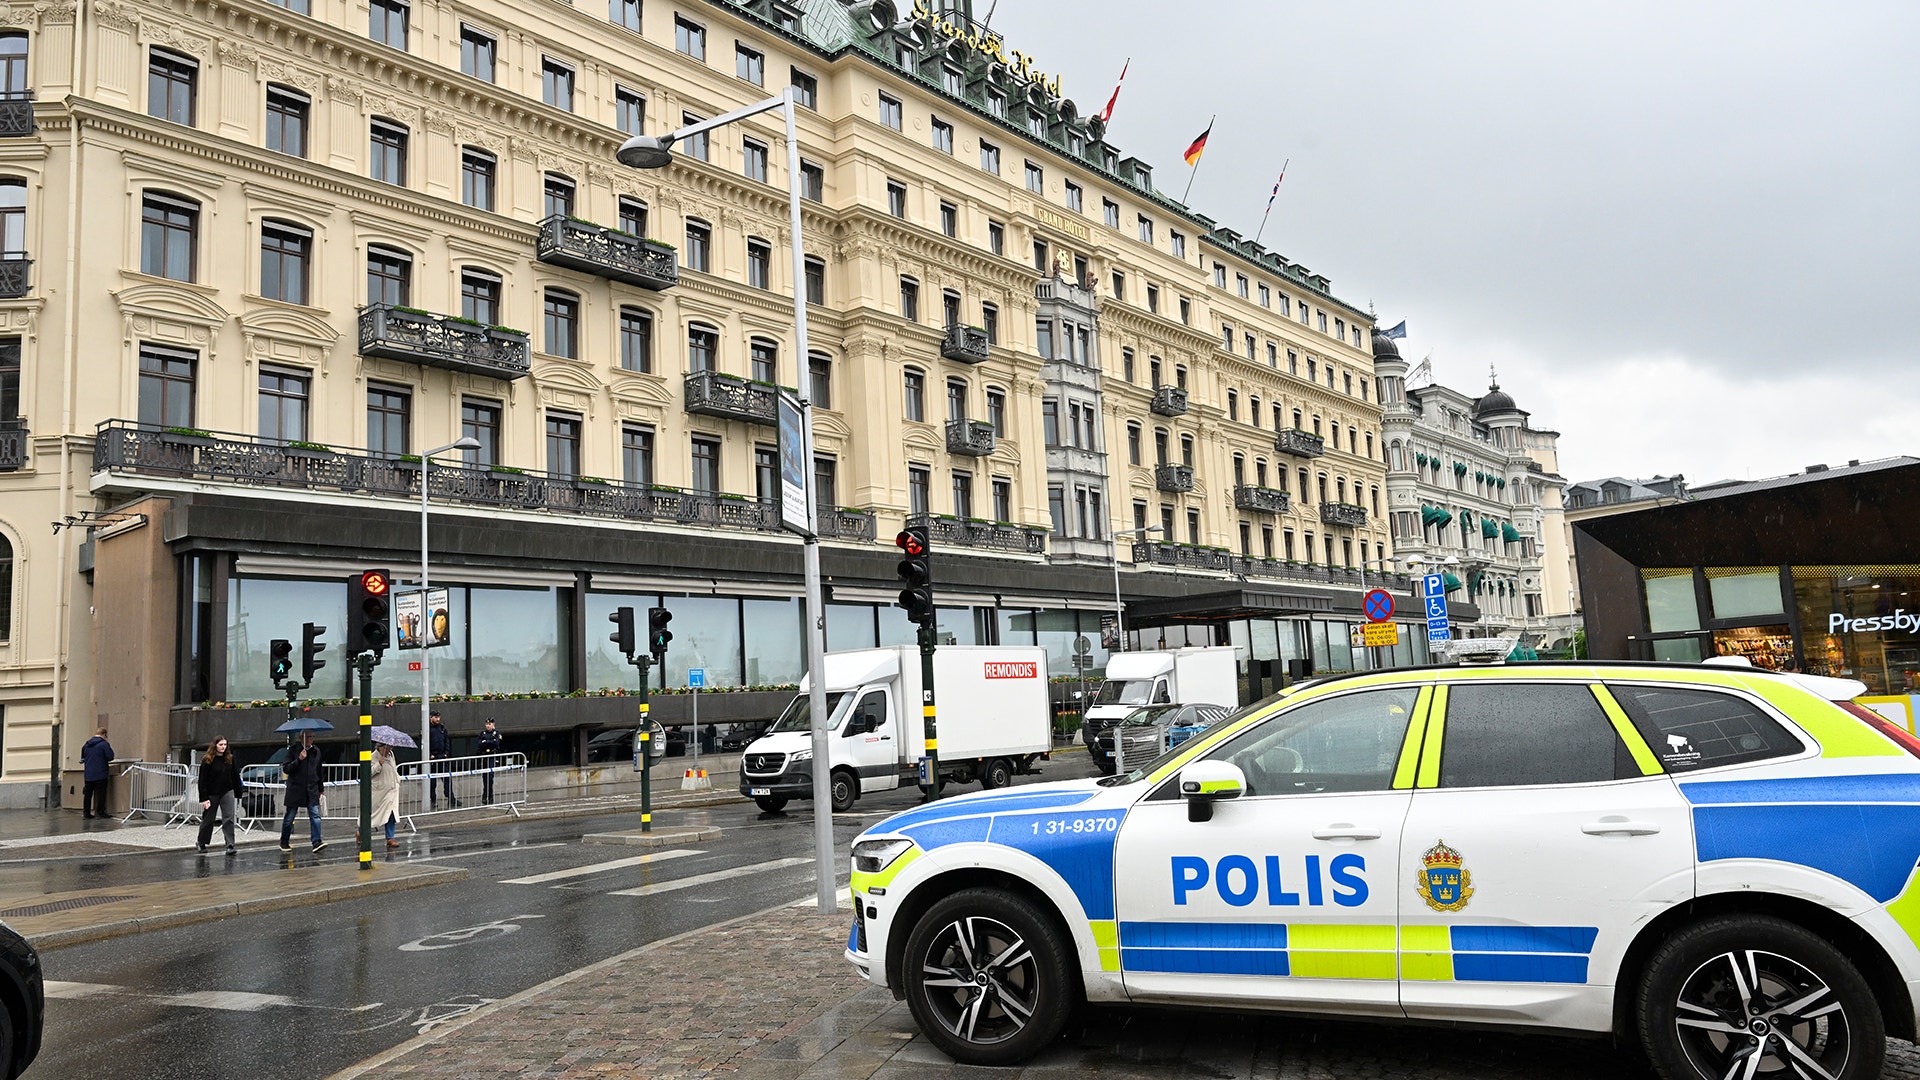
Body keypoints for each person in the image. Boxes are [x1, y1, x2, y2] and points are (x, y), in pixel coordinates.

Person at [278, 731, 326, 853]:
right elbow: (287, 768)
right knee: (289, 817)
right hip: (296, 789)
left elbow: (319, 770)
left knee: (315, 816)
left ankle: (316, 842)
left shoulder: (316, 751)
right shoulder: (293, 750)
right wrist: (299, 759)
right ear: (301, 738)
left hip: (312, 789)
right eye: (308, 737)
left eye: (312, 736)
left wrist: (321, 788)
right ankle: (284, 841)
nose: (310, 739)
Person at [195, 737, 243, 855]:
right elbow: (202, 780)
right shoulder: (207, 760)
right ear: (215, 745)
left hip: (227, 790)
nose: (223, 747)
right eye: (221, 744)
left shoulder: (230, 759)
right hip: (212, 792)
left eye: (225, 745)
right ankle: (201, 841)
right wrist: (204, 798)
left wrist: (238, 792)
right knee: (209, 819)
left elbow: (235, 776)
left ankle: (230, 845)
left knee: (229, 818)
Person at [371, 742, 401, 849]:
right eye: (387, 747)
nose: (389, 749)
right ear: (380, 747)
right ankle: (361, 832)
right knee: (373, 814)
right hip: (380, 792)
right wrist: (378, 764)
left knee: (391, 813)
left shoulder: (391, 755)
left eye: (390, 747)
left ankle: (390, 838)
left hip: (391, 790)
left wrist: (397, 779)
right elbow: (368, 772)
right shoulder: (373, 756)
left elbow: (393, 769)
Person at [80, 727, 115, 819]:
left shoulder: (86, 745)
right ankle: (100, 812)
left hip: (88, 774)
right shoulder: (104, 744)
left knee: (88, 794)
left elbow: (83, 757)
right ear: (104, 734)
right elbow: (110, 756)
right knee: (101, 793)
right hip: (101, 772)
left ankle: (86, 813)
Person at [429, 712, 458, 808]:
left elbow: (446, 741)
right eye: (436, 717)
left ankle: (451, 798)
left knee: (447, 779)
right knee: (432, 782)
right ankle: (433, 800)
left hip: (442, 757)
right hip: (432, 759)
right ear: (431, 717)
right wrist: (429, 755)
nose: (438, 719)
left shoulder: (442, 728)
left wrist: (446, 753)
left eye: (439, 717)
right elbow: (424, 743)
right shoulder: (427, 729)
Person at [475, 718, 503, 805]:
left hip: (492, 757)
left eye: (490, 724)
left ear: (493, 724)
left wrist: (486, 742)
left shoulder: (496, 733)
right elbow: (479, 744)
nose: (488, 725)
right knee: (485, 778)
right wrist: (489, 742)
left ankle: (489, 796)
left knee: (490, 778)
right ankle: (486, 795)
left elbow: (496, 743)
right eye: (487, 724)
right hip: (484, 758)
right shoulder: (482, 733)